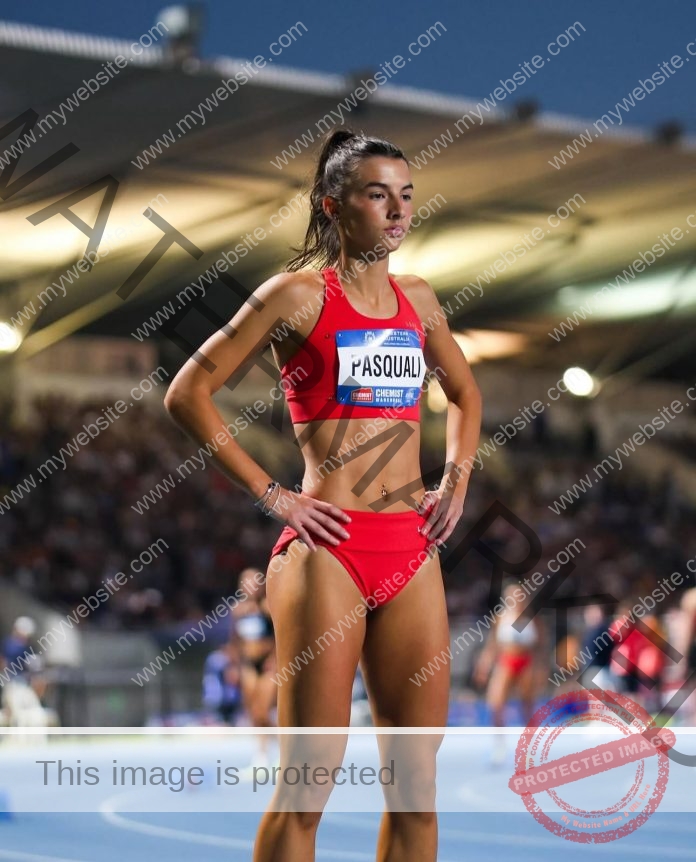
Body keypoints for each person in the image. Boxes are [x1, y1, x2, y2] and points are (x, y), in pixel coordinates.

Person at [164, 129, 482, 862]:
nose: (398, 211)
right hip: (326, 554)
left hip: (411, 551)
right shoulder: (297, 295)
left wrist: (456, 478)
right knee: (308, 786)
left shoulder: (420, 300)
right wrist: (272, 493)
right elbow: (189, 393)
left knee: (416, 790)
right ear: (334, 206)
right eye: (378, 195)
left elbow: (464, 394)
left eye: (406, 195)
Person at [473, 582, 542, 762]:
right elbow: (492, 645)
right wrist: (484, 666)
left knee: (526, 706)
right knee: (495, 703)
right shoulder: (500, 618)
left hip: (526, 662)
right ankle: (499, 745)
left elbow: (540, 646)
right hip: (506, 661)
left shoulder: (531, 619)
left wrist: (542, 669)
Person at [232, 567, 277, 768]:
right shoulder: (238, 610)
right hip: (248, 665)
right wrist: (234, 664)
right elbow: (235, 640)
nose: (250, 586)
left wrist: (275, 658)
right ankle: (262, 754)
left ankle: (288, 749)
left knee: (264, 710)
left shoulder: (269, 607)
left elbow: (282, 636)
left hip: (268, 664)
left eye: (254, 581)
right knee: (255, 713)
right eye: (246, 581)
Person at [202, 637, 243, 725]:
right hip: (219, 699)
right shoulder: (219, 659)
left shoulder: (213, 658)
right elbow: (232, 677)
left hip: (217, 698)